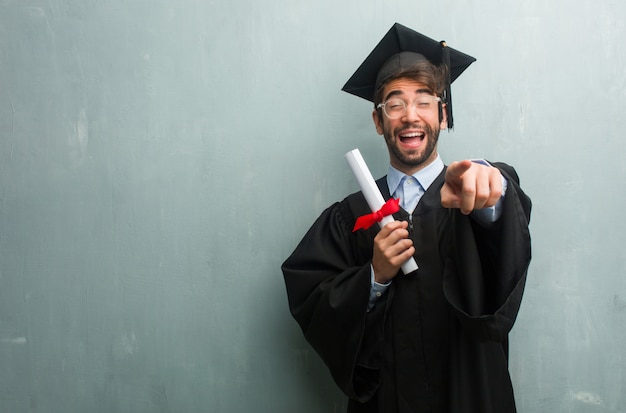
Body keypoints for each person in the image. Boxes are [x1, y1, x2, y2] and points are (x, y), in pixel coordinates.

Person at [282, 23, 532, 413]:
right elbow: (311, 301)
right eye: (394, 103)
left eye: (424, 101)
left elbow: (503, 225)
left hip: (472, 396)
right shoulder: (351, 217)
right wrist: (373, 277)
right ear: (379, 121)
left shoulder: (472, 193)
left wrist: (491, 186)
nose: (409, 116)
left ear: (443, 114)